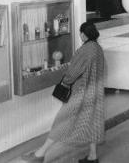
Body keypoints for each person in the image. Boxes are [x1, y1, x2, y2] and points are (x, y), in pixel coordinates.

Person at [23, 22, 105, 163]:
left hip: (80, 92)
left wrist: (65, 83)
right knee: (92, 122)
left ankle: (39, 155)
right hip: (95, 91)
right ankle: (92, 157)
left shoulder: (85, 50)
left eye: (81, 33)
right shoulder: (97, 48)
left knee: (62, 121)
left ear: (84, 34)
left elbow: (73, 73)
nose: (80, 36)